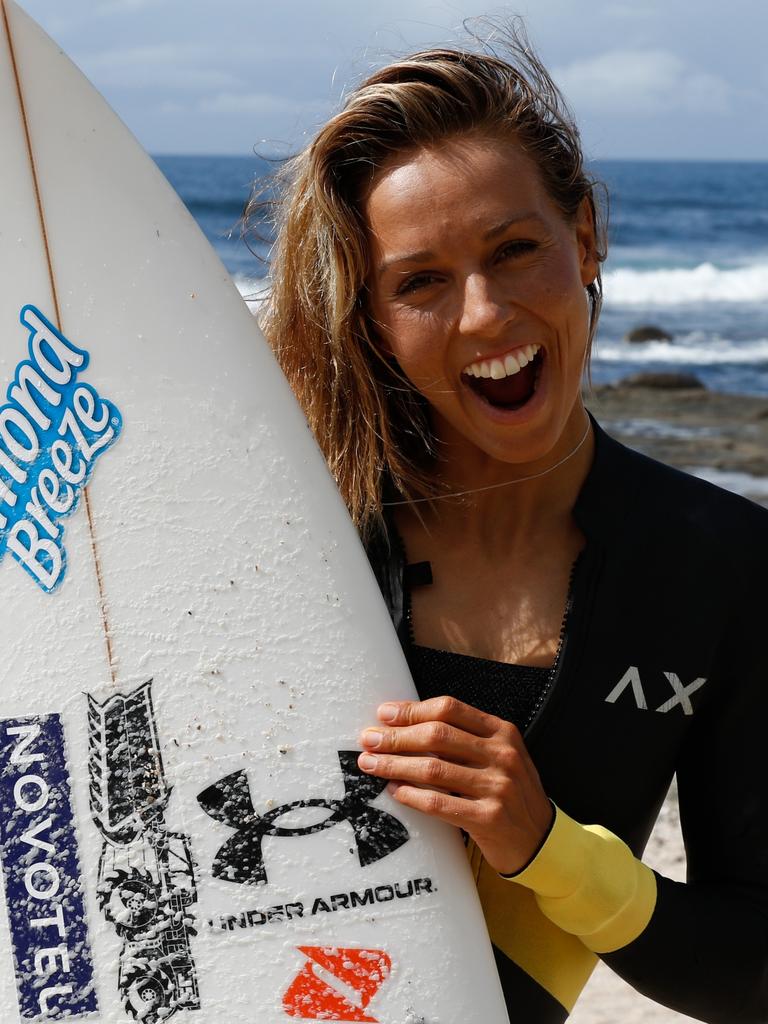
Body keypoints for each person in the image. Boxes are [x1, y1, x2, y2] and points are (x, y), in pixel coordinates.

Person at [251, 27, 768, 1024]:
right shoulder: (295, 536)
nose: (485, 314)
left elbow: (751, 970)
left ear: (585, 240)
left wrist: (548, 848)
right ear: (374, 320)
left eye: (514, 249)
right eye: (421, 282)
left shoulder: (722, 568)